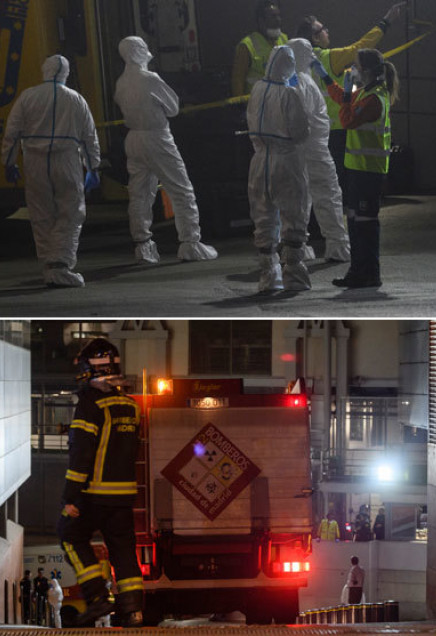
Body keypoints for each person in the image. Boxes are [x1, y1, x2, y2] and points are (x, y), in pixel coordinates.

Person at [58, 338, 144, 627]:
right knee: (122, 549)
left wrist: (70, 496)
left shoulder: (89, 406)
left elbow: (81, 455)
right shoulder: (131, 407)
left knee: (70, 535)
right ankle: (132, 611)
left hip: (93, 494)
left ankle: (97, 598)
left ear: (90, 371)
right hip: (123, 496)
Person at [114, 36, 218, 264]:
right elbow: (172, 107)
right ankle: (190, 242)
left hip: (133, 138)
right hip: (156, 137)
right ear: (138, 51)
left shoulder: (121, 82)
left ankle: (143, 246)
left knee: (139, 194)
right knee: (180, 188)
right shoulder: (150, 79)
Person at [1, 55, 100, 288]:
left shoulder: (28, 97)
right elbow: (89, 137)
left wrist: (9, 162)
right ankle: (60, 263)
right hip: (67, 161)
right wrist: (93, 167)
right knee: (71, 211)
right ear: (66, 72)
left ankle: (49, 264)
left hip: (35, 161)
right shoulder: (76, 99)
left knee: (40, 213)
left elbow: (12, 132)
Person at [321, 48, 398, 288]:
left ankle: (370, 273)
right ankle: (357, 271)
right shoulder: (365, 92)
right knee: (354, 222)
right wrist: (323, 76)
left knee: (366, 223)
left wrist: (346, 95)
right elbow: (340, 97)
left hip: (369, 171)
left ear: (365, 70)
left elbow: (347, 120)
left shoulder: (375, 98)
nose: (351, 70)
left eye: (355, 65)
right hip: (356, 169)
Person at [295, 3, 404, 172]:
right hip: (338, 129)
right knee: (341, 180)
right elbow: (361, 47)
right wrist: (386, 21)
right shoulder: (329, 57)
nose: (327, 31)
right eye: (323, 29)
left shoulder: (297, 61)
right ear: (315, 38)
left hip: (310, 131)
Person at [246, 45, 311, 291]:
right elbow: (301, 131)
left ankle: (268, 276)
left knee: (263, 215)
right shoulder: (289, 94)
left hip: (260, 159)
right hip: (285, 159)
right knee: (294, 213)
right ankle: (293, 274)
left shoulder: (257, 89)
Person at [287, 38, 350, 262]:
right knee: (328, 194)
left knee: (299, 197)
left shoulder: (289, 80)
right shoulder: (303, 81)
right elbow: (305, 117)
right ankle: (337, 245)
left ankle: (297, 246)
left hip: (295, 149)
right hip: (315, 147)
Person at [232, 0, 289, 96]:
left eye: (279, 16)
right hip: (259, 106)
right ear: (261, 20)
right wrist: (241, 105)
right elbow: (238, 80)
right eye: (273, 16)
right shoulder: (247, 46)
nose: (278, 20)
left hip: (282, 103)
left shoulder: (284, 39)